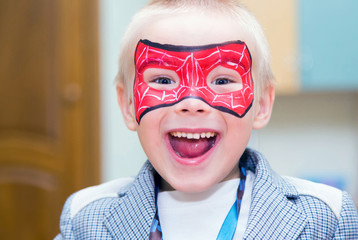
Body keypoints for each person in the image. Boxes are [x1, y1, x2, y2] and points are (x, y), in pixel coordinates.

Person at [54, 0, 358, 239]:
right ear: (128, 105)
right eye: (162, 79)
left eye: (223, 81)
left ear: (262, 104)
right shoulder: (84, 218)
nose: (191, 102)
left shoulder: (327, 217)